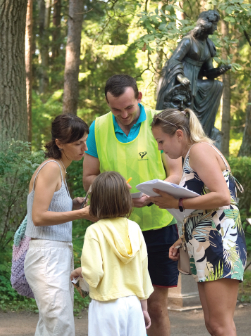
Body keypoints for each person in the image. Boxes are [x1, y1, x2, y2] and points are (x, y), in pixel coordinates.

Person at [83, 74, 183, 336]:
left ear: (139, 97)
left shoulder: (160, 121)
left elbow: (175, 172)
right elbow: (89, 178)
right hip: (115, 233)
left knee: (156, 308)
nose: (123, 114)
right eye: (116, 109)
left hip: (159, 228)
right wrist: (124, 199)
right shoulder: (98, 127)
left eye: (128, 107)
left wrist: (153, 194)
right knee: (119, 305)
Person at [149, 108, 247, 336]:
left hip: (219, 244)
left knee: (220, 326)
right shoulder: (193, 154)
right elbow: (204, 205)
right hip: (208, 244)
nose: (160, 147)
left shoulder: (198, 150)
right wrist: (183, 239)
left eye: (161, 140)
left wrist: (176, 202)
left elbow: (223, 196)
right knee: (214, 325)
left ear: (179, 134)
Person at [24, 114, 95, 336]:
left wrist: (72, 205)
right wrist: (80, 213)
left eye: (85, 141)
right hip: (47, 255)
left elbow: (48, 208)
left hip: (55, 254)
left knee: (52, 325)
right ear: (59, 143)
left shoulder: (59, 170)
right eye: (77, 143)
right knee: (60, 325)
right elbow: (38, 216)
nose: (84, 148)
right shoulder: (51, 168)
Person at [71, 171, 153, 336]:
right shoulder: (135, 229)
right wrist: (144, 309)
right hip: (134, 305)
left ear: (96, 201)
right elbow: (143, 271)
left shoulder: (94, 231)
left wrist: (78, 272)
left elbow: (93, 274)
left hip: (105, 305)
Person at [156, 10, 231, 138]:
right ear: (206, 24)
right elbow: (174, 60)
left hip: (196, 82)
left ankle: (204, 128)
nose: (216, 27)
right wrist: (180, 76)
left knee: (217, 86)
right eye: (214, 24)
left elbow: (208, 72)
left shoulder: (208, 45)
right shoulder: (188, 41)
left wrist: (219, 70)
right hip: (183, 81)